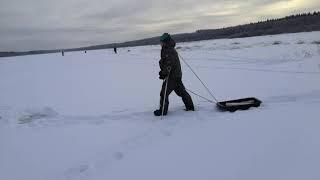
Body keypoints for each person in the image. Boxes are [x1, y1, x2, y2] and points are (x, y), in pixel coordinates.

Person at [154, 33, 194, 116]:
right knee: (181, 92)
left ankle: (162, 111)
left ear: (165, 42)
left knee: (164, 93)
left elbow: (169, 64)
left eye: (161, 41)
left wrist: (164, 73)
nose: (160, 43)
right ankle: (190, 107)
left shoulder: (168, 50)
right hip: (176, 75)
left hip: (172, 76)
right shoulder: (168, 49)